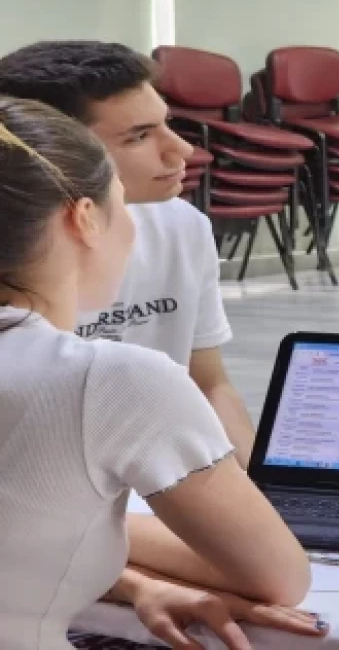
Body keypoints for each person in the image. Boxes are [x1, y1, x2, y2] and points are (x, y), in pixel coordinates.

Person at [0, 97, 319, 648]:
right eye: (123, 204)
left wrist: (124, 579)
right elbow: (279, 578)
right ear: (83, 218)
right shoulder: (109, 379)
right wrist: (86, 525)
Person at [0, 41, 255, 465]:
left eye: (166, 124)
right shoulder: (15, 250)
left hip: (163, 477)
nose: (181, 149)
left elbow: (209, 384)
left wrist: (262, 486)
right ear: (55, 149)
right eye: (138, 136)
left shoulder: (182, 224)